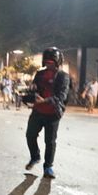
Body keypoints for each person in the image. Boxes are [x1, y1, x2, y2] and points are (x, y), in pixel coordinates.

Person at [25, 47, 70, 179]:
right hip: (37, 111)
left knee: (50, 141)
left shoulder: (63, 77)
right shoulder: (39, 74)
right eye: (47, 62)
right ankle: (35, 156)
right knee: (30, 135)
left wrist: (44, 101)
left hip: (53, 113)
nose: (49, 64)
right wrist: (32, 89)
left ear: (57, 62)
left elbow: (61, 96)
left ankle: (48, 167)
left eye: (52, 62)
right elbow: (35, 88)